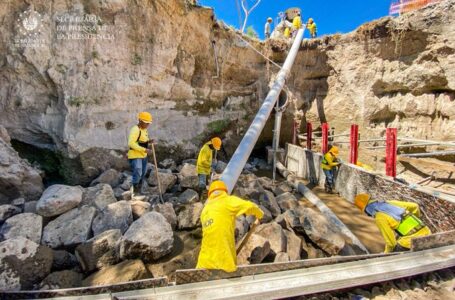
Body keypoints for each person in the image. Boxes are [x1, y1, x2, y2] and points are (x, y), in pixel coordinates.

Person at [196, 180, 264, 272]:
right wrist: (260, 215)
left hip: (204, 262)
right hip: (224, 261)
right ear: (224, 191)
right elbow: (250, 206)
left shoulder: (205, 210)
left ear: (210, 195)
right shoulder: (228, 201)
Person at [354, 194, 432, 253]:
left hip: (411, 242)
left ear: (367, 210)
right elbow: (415, 206)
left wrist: (386, 255)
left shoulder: (379, 217)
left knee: (394, 253)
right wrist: (413, 222)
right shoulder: (390, 203)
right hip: (427, 232)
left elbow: (391, 243)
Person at [127, 112, 153, 196]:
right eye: (146, 123)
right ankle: (135, 189)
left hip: (143, 156)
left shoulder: (144, 130)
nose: (147, 125)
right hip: (135, 156)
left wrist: (149, 141)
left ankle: (139, 189)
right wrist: (144, 149)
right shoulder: (135, 129)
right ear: (140, 120)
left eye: (148, 123)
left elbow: (141, 141)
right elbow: (131, 143)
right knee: (138, 170)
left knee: (143, 172)